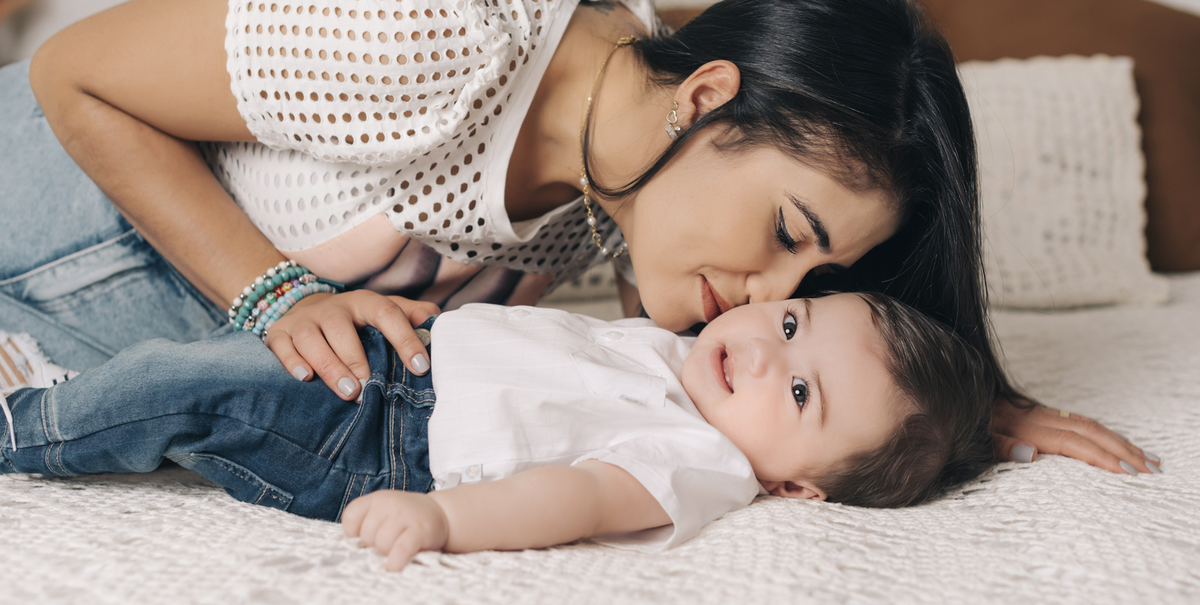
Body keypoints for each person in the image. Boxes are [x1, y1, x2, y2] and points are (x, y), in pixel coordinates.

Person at [0, 0, 1153, 476]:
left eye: (811, 284)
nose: (765, 296)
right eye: (789, 234)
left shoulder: (607, 196)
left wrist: (945, 412)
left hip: (49, 349)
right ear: (707, 97)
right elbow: (72, 74)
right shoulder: (433, 29)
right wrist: (276, 291)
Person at [0, 292, 996, 571]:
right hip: (406, 353)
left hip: (385, 436)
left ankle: (30, 421)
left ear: (796, 484)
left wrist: (443, 518)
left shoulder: (702, 458)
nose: (768, 354)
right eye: (790, 321)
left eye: (803, 395)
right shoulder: (687, 353)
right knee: (207, 351)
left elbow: (577, 497)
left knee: (189, 390)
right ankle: (73, 381)